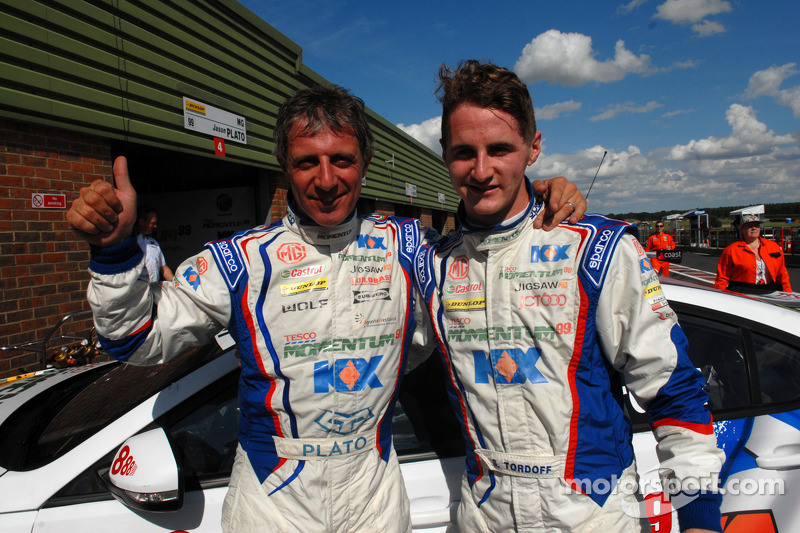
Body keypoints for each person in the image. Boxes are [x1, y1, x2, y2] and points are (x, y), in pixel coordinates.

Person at [66, 84, 586, 532]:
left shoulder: (410, 248)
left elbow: (488, 271)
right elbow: (136, 339)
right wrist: (114, 253)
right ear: (284, 168)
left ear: (365, 162)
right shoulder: (242, 259)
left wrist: (539, 199)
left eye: (342, 159)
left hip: (374, 497)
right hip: (272, 502)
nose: (327, 179)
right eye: (306, 162)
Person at [415, 60, 724, 533]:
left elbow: (672, 390)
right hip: (483, 518)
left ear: (533, 147)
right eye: (463, 152)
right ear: (443, 153)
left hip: (592, 517)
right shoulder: (430, 265)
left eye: (500, 149)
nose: (481, 170)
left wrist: (699, 518)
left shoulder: (596, 250)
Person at [715, 213, 792, 293]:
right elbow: (722, 278)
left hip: (770, 291)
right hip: (742, 292)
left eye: (757, 225)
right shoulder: (731, 250)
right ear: (741, 229)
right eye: (750, 226)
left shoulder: (773, 247)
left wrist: (788, 294)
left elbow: (782, 274)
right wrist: (720, 297)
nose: (754, 228)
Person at [135, 205, 174, 283]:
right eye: (152, 223)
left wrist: (176, 284)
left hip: (154, 290)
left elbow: (163, 268)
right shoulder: (130, 243)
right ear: (141, 222)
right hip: (137, 290)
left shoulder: (154, 243)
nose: (155, 226)